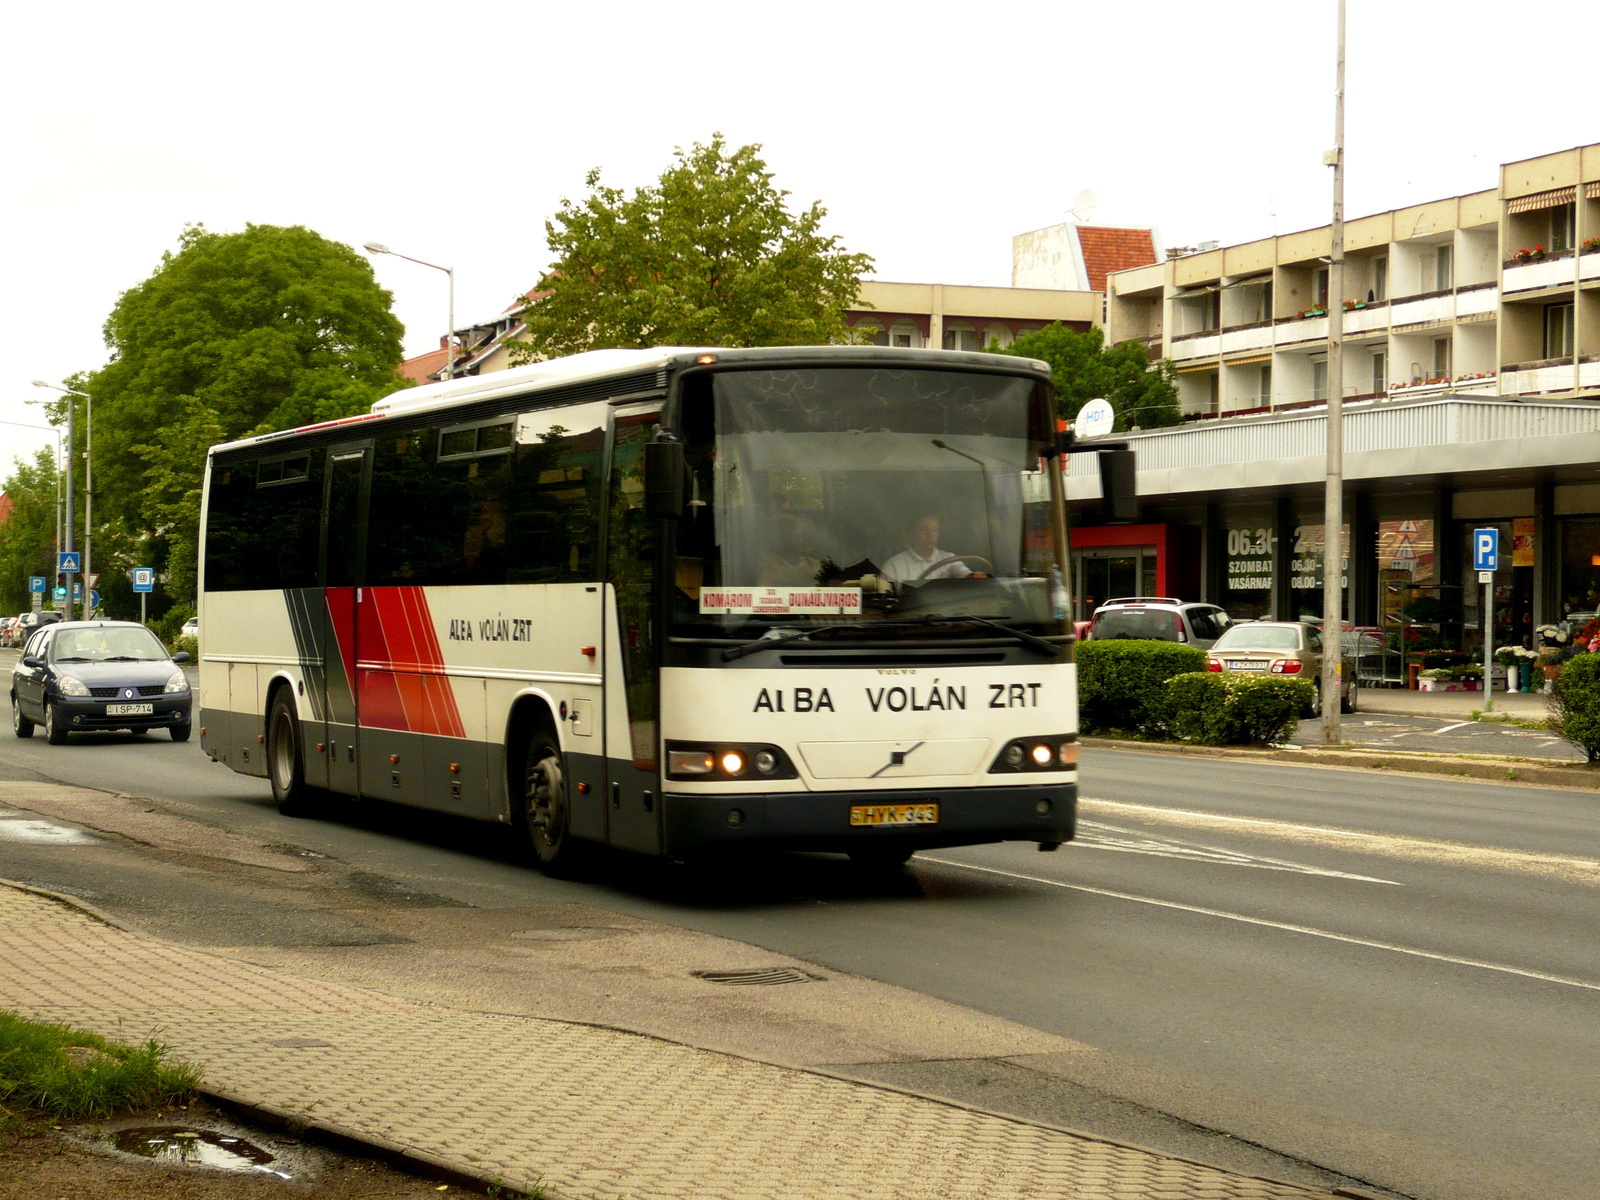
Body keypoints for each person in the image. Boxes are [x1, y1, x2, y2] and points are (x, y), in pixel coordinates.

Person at [881, 514, 979, 585]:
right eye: (923, 530)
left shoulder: (949, 559)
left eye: (934, 530)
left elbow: (966, 575)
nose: (930, 535)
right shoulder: (893, 566)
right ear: (912, 534)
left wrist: (973, 576)